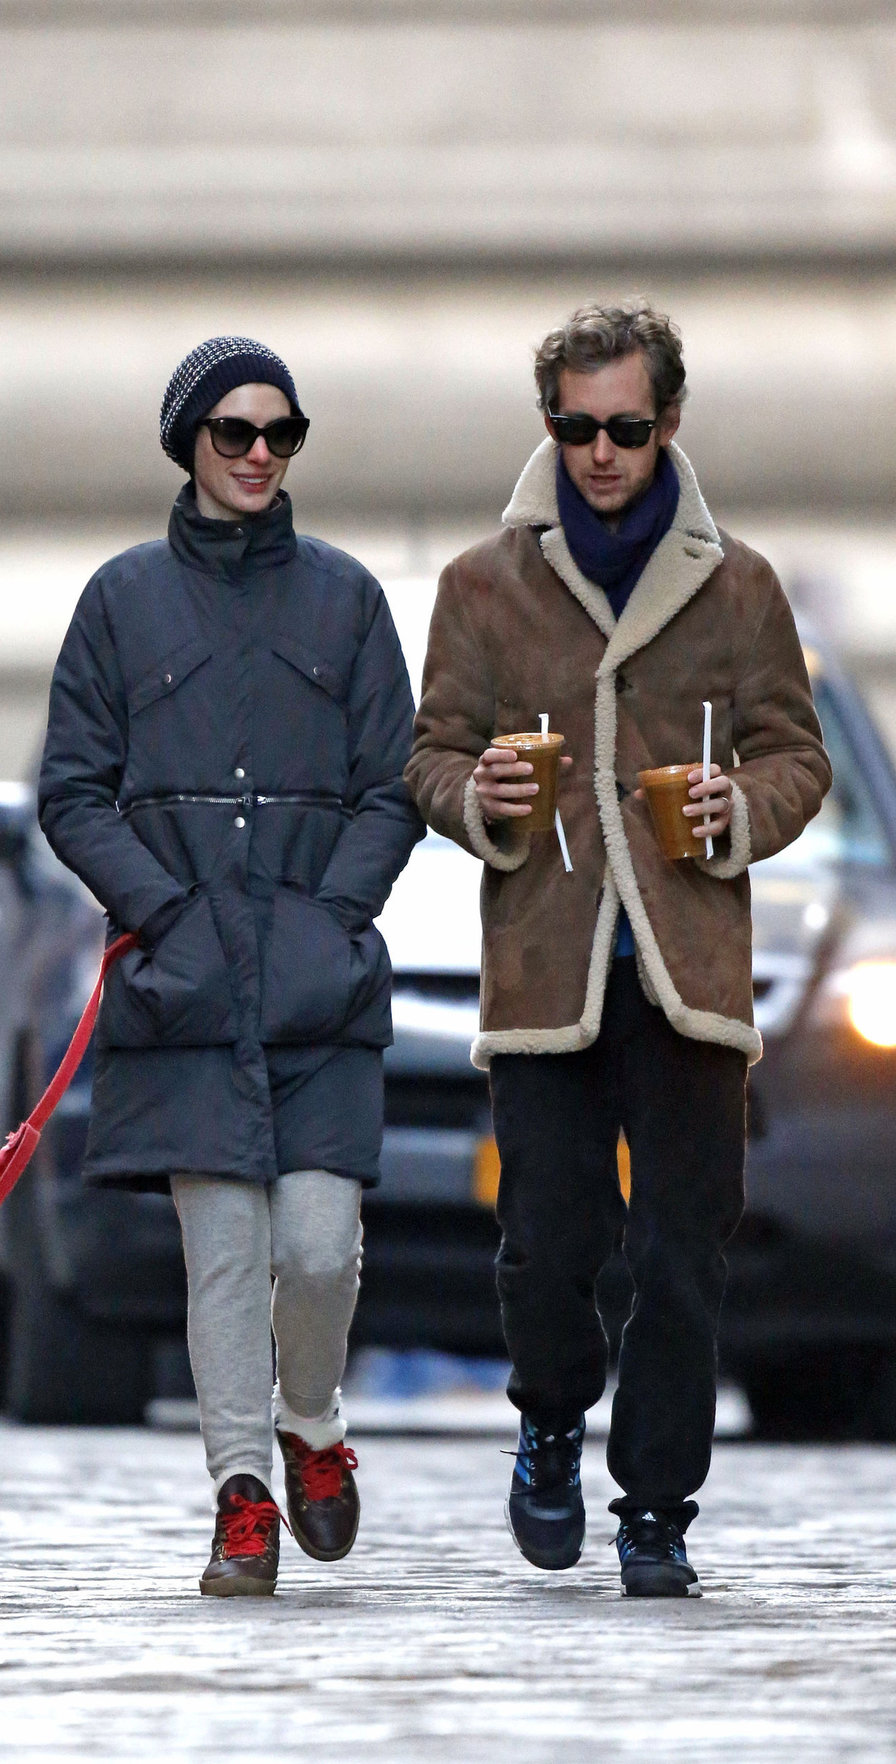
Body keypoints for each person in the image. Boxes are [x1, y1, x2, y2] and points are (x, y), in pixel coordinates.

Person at [405, 302, 831, 1596]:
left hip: (692, 969)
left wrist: (737, 813)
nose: (600, 452)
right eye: (577, 428)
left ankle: (657, 1509)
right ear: (551, 426)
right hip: (545, 966)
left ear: (670, 425)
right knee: (548, 1237)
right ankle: (546, 1423)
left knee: (686, 1246)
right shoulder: (482, 585)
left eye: (626, 429)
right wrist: (480, 798)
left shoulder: (741, 586)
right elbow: (426, 759)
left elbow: (797, 758)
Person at [38, 336, 423, 1596]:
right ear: (187, 444)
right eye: (233, 432)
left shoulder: (349, 600)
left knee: (317, 1247)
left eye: (280, 433)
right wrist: (163, 914)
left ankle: (312, 1424)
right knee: (219, 1257)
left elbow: (391, 787)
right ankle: (239, 1493)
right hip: (187, 985)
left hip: (315, 982)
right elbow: (71, 792)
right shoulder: (118, 600)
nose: (259, 454)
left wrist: (331, 915)